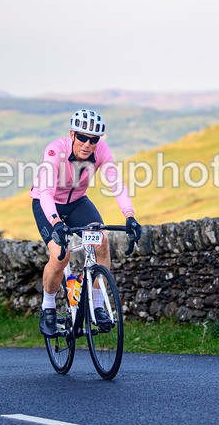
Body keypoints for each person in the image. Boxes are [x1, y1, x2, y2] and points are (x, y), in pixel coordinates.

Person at [30, 109, 142, 337]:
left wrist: (130, 216)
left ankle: (97, 306)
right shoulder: (55, 150)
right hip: (47, 203)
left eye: (94, 139)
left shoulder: (101, 151)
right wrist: (56, 222)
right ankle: (48, 307)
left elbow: (116, 184)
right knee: (60, 256)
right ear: (72, 134)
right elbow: (46, 192)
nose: (88, 144)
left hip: (78, 203)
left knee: (102, 243)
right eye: (82, 137)